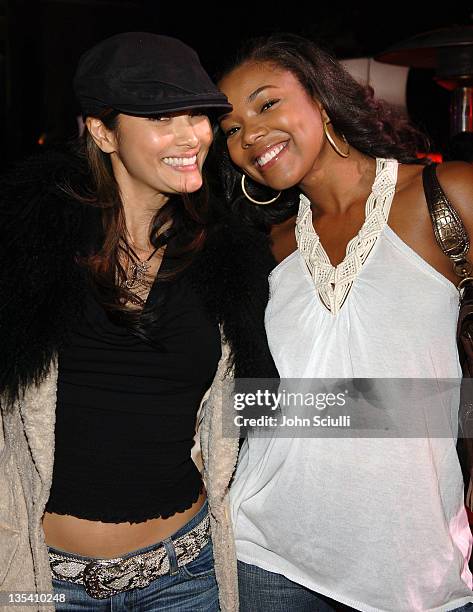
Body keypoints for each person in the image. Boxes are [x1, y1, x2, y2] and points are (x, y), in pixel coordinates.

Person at [0, 32, 277, 612]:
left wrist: (425, 413)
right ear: (102, 132)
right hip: (44, 580)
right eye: (160, 116)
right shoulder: (28, 251)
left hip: (186, 575)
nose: (191, 136)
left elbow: (252, 404)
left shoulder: (229, 261)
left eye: (198, 115)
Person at [216, 33, 473, 612]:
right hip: (267, 555)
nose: (250, 135)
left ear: (323, 98)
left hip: (415, 565)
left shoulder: (448, 196)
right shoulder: (267, 250)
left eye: (266, 104)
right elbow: (253, 400)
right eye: (230, 129)